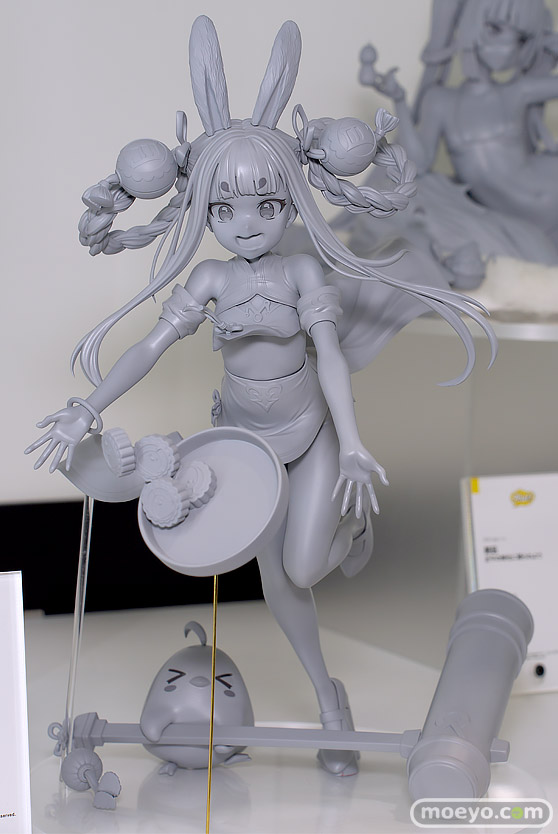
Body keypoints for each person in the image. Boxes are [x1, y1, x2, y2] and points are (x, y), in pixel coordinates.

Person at [26, 16, 496, 776]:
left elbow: (331, 358)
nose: (245, 225)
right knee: (280, 583)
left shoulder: (303, 273)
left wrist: (354, 442)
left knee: (303, 569)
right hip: (243, 445)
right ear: (205, 211)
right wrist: (89, 406)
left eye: (266, 206)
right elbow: (149, 346)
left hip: (312, 435)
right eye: (225, 210)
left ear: (291, 203)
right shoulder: (210, 279)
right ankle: (329, 699)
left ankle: (350, 529)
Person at [360, 0, 558, 256]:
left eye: (520, 38)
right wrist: (399, 100)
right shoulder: (440, 100)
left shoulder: (517, 91)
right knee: (401, 202)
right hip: (517, 218)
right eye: (496, 29)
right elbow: (418, 165)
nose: (509, 45)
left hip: (550, 190)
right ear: (474, 26)